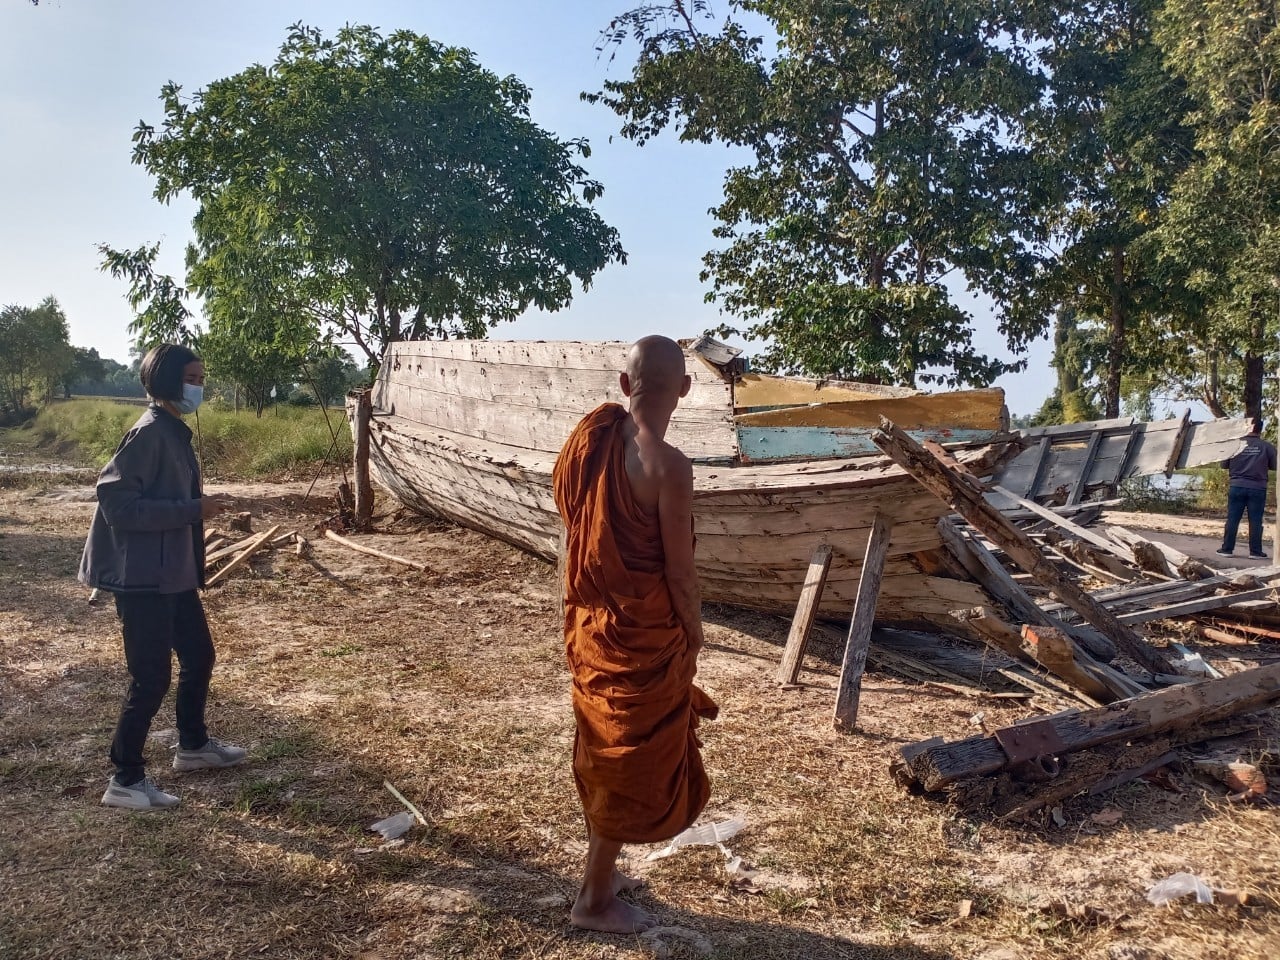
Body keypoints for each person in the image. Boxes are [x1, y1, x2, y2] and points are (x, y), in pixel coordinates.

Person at [552, 335, 718, 934]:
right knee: (626, 759)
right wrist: (693, 634)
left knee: (605, 747)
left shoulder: (592, 439)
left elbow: (574, 524)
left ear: (626, 386)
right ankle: (594, 899)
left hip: (595, 627)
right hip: (643, 637)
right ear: (685, 389)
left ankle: (602, 874)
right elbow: (679, 571)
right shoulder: (670, 466)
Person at [79, 343, 247, 810]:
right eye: (192, 379)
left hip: (172, 573)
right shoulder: (149, 433)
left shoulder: (173, 431)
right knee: (150, 678)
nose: (199, 387)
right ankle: (125, 779)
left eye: (201, 379)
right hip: (142, 578)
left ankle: (193, 746)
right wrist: (193, 509)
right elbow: (117, 505)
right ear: (168, 382)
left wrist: (197, 507)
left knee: (199, 655)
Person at [1217, 417, 1277, 560]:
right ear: (1260, 429)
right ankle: (1255, 552)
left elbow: (1223, 465)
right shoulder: (1267, 447)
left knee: (1233, 518)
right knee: (1255, 520)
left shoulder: (1235, 445)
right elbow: (1275, 466)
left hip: (1237, 486)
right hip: (1258, 488)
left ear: (1246, 427)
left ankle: (1227, 549)